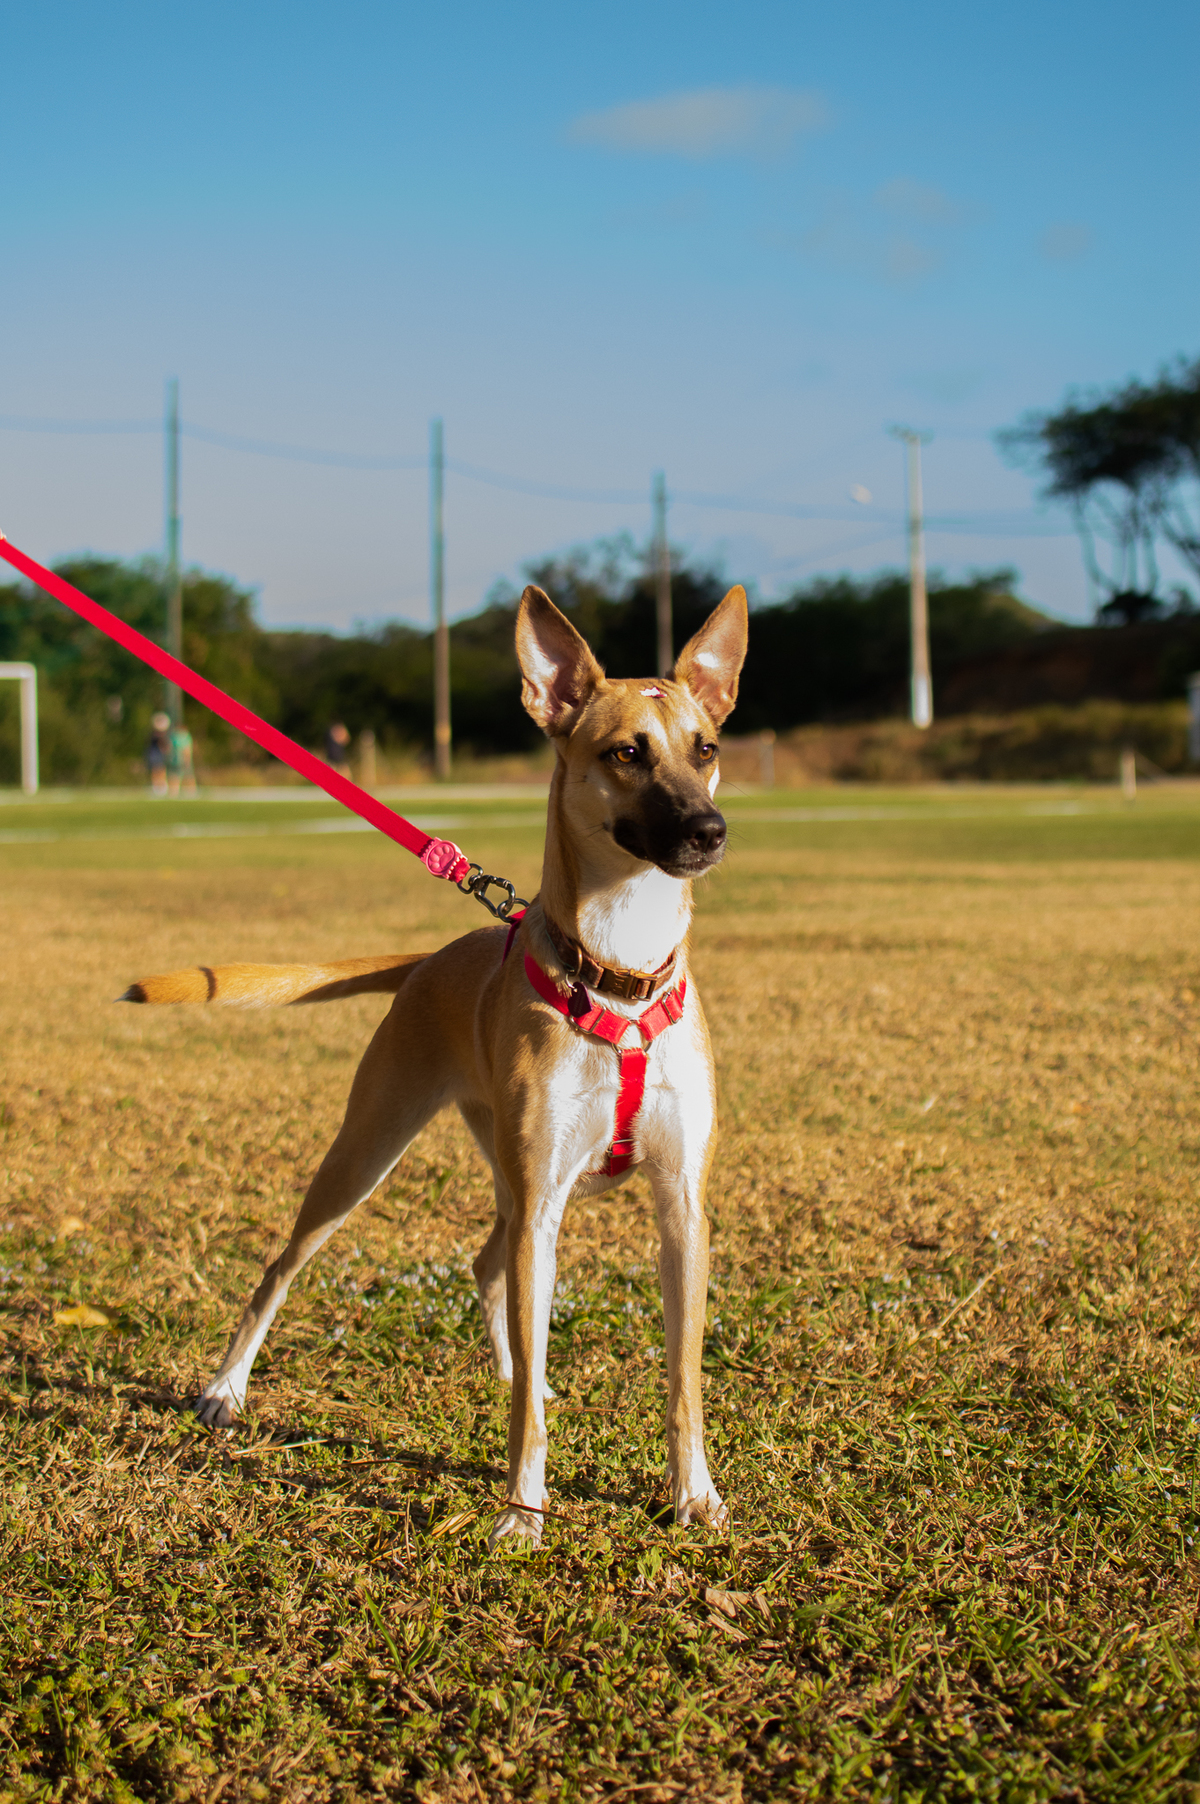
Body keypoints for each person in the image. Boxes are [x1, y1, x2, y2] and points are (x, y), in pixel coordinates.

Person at [167, 720, 197, 797]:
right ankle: (174, 791)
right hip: (176, 759)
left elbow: (186, 749)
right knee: (175, 775)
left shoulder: (184, 736)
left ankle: (191, 790)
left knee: (188, 775)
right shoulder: (175, 736)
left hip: (183, 758)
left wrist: (187, 759)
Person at [146, 712, 170, 797]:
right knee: (155, 769)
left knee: (161, 769)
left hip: (159, 754)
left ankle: (162, 785)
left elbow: (165, 745)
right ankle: (156, 786)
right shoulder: (153, 735)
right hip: (154, 754)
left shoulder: (163, 735)